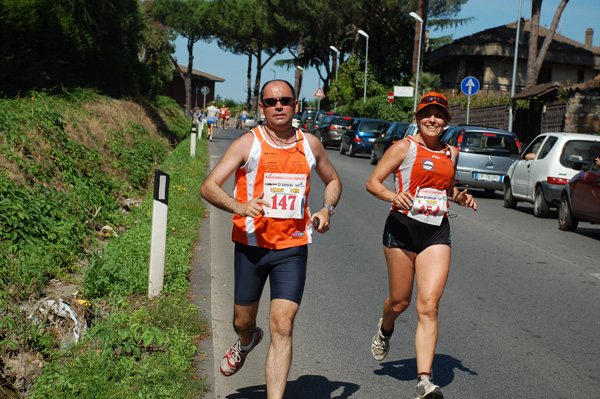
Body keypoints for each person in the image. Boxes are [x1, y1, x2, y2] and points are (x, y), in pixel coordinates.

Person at [200, 79, 342, 399]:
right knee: (242, 321)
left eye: (285, 100)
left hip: (292, 248)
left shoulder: (311, 144)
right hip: (251, 247)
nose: (279, 106)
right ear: (260, 107)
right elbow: (209, 186)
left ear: (296, 105)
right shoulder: (247, 143)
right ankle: (247, 342)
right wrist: (240, 206)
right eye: (271, 101)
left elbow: (333, 180)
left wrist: (327, 210)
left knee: (283, 325)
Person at [365, 92, 477, 399]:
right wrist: (392, 196)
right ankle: (385, 326)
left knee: (428, 306)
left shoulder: (451, 153)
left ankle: (424, 381)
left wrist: (460, 197)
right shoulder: (404, 147)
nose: (433, 119)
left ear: (446, 122)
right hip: (401, 230)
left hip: (436, 232)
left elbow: (447, 187)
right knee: (399, 302)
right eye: (427, 114)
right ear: (417, 118)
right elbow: (373, 182)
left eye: (439, 115)